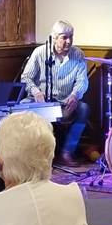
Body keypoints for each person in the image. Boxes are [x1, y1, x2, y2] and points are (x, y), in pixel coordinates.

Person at [20, 20, 89, 166]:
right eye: (64, 37)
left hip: (65, 101)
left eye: (71, 37)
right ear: (54, 38)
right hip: (41, 101)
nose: (69, 41)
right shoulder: (40, 53)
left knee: (84, 108)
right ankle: (32, 155)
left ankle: (67, 152)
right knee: (22, 106)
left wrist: (75, 95)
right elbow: (26, 78)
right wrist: (36, 92)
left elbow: (82, 81)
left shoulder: (78, 54)